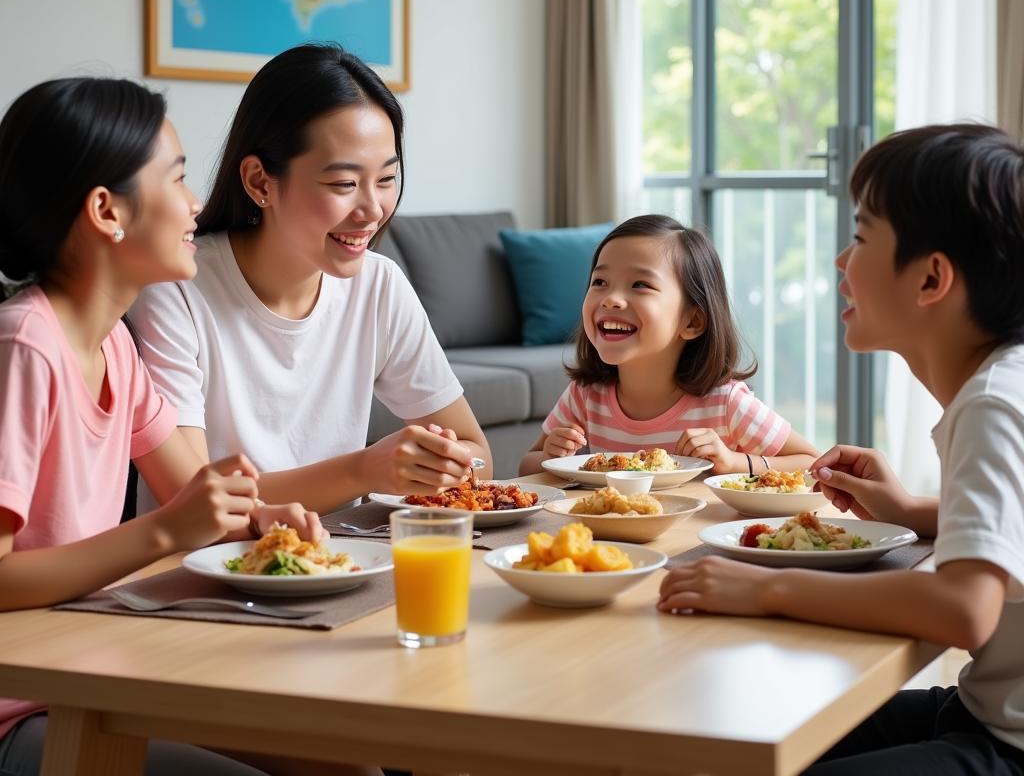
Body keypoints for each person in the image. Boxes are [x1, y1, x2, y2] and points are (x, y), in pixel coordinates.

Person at [0, 77, 362, 776]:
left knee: (341, 765)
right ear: (107, 211)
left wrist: (261, 518)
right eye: (177, 177)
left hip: (96, 665)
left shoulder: (113, 347)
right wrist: (167, 531)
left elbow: (192, 492)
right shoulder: (24, 349)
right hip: (26, 704)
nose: (196, 202)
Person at [658, 124, 1024, 774]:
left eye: (859, 238)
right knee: (746, 734)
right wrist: (913, 511)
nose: (839, 261)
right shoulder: (1006, 380)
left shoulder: (993, 404)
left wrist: (765, 589)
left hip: (1008, 745)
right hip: (983, 710)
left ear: (931, 278)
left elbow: (965, 610)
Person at [128, 44, 491, 516]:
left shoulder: (379, 285)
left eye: (386, 179)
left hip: (345, 560)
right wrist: (363, 471)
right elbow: (193, 501)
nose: (373, 210)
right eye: (344, 184)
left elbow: (478, 456)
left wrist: (438, 462)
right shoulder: (176, 290)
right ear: (260, 182)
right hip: (209, 571)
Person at [519, 214, 817, 476]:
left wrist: (735, 462)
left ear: (692, 322)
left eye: (639, 285)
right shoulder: (585, 396)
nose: (611, 298)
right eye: (600, 282)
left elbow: (813, 463)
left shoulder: (725, 402)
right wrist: (549, 458)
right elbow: (526, 465)